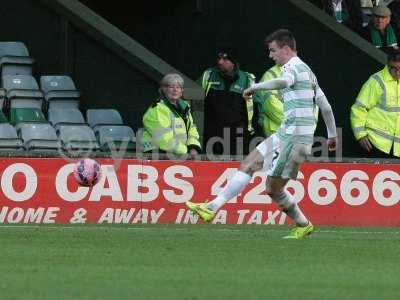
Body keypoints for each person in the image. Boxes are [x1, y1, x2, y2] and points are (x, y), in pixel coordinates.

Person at [187, 29, 338, 239]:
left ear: (286, 49)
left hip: (294, 139)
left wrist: (254, 87)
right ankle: (212, 207)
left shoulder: (293, 67)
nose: (270, 55)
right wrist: (332, 136)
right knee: (249, 163)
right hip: (285, 132)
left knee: (273, 189)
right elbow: (326, 106)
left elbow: (284, 82)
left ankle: (303, 224)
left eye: (273, 50)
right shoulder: (309, 73)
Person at [200, 48, 255, 156]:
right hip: (212, 136)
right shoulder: (208, 75)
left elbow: (255, 108)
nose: (220, 62)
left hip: (238, 137)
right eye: (219, 58)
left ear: (234, 63)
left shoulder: (247, 79)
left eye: (225, 59)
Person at [350, 49, 400, 158]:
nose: (397, 73)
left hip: (396, 148)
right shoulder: (377, 81)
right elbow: (358, 108)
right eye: (394, 68)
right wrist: (360, 135)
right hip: (375, 144)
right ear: (388, 65)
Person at [142, 73, 201, 157]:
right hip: (157, 155)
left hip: (178, 154)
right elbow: (164, 140)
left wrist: (193, 147)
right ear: (163, 90)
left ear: (181, 91)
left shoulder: (185, 107)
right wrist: (186, 151)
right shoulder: (157, 109)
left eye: (178, 87)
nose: (175, 90)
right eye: (171, 87)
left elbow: (192, 129)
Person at [252, 64, 284, 138]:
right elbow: (271, 106)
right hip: (276, 131)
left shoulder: (303, 72)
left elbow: (312, 102)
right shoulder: (270, 75)